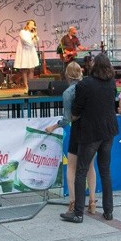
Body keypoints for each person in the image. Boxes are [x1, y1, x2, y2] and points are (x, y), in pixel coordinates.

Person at [60, 54, 118, 223]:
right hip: (108, 132)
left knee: (81, 171)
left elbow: (76, 111)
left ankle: (78, 213)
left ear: (94, 66)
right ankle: (108, 211)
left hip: (91, 132)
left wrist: (75, 116)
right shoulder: (112, 83)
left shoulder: (85, 84)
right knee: (105, 171)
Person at [46, 62, 98, 214]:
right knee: (90, 167)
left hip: (77, 131)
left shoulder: (68, 92)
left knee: (71, 167)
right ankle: (92, 202)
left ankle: (72, 201)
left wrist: (54, 127)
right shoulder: (89, 87)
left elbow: (67, 118)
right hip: (92, 131)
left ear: (67, 75)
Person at [14, 19, 40, 91]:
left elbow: (36, 41)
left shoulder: (32, 33)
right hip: (24, 52)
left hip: (31, 52)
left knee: (32, 69)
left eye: (33, 24)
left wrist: (35, 33)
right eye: (31, 24)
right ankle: (26, 86)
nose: (33, 26)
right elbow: (26, 42)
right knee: (25, 69)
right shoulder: (23, 32)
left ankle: (31, 85)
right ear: (27, 25)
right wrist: (33, 37)